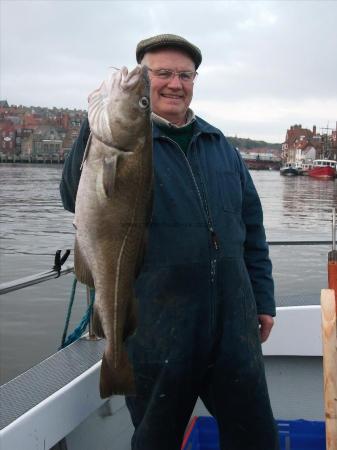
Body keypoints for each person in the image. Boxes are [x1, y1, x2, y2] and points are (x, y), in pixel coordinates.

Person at [60, 34, 280, 450]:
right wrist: (95, 123)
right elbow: (74, 194)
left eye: (184, 74)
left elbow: (252, 230)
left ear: (195, 80)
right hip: (156, 332)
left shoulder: (221, 146)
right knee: (155, 441)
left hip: (233, 332)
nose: (174, 83)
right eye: (161, 74)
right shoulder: (115, 144)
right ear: (144, 81)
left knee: (258, 439)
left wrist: (263, 299)